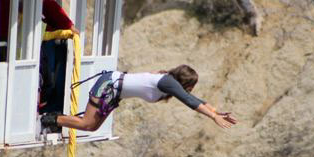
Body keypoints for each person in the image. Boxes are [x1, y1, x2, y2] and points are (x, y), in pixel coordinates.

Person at [40, 64, 237, 132]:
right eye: (191, 86)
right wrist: (212, 118)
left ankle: (58, 119)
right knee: (87, 124)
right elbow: (190, 101)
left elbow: (194, 98)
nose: (191, 89)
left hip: (114, 91)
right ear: (184, 82)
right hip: (109, 85)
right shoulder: (167, 82)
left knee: (92, 127)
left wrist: (216, 112)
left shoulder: (170, 83)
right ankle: (52, 119)